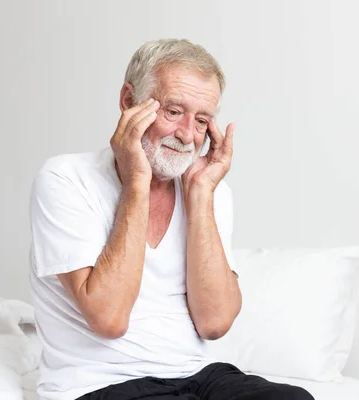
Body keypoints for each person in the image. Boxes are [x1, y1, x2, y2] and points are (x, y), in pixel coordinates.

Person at [28, 39, 314, 400]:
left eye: (202, 121)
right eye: (174, 111)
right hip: (100, 383)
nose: (186, 135)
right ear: (128, 101)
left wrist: (201, 195)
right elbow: (109, 319)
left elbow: (214, 323)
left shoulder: (209, 191)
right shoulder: (65, 179)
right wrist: (137, 181)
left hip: (198, 375)